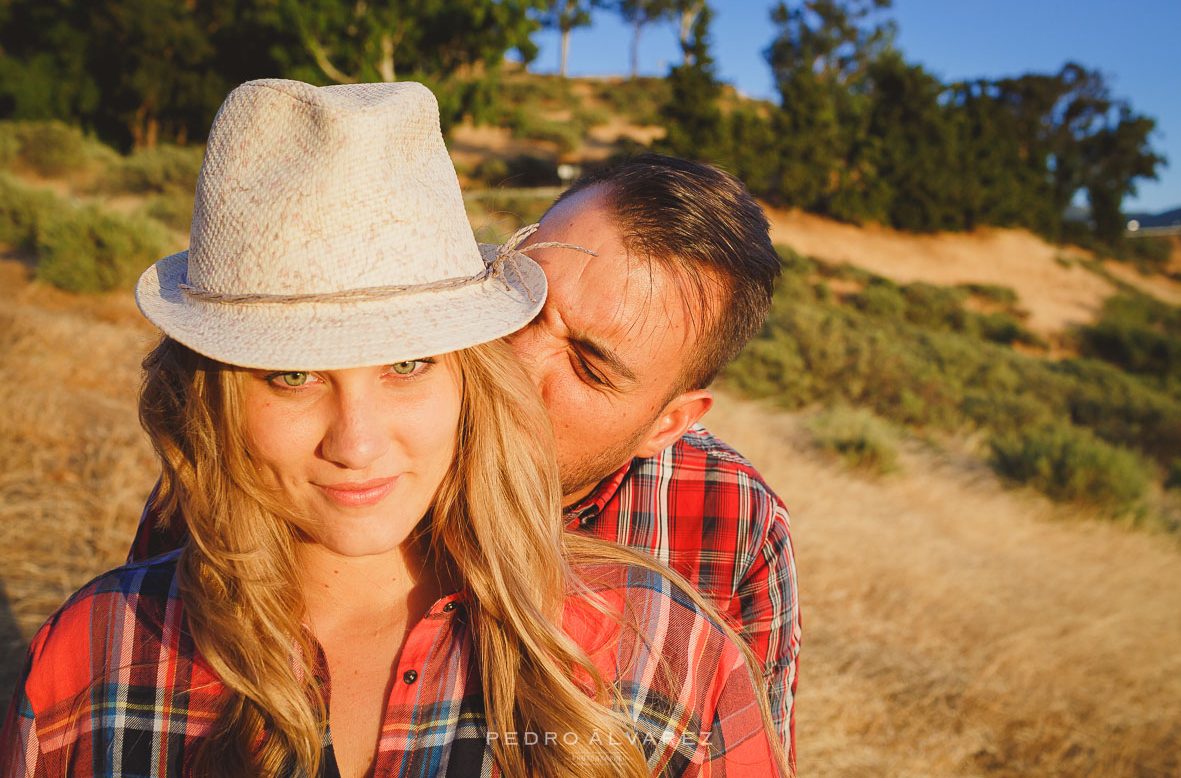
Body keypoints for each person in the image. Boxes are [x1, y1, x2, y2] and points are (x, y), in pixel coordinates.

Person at [0, 80, 785, 778]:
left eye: (588, 364)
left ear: (669, 424)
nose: (510, 361)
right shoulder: (108, 642)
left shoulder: (689, 605)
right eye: (518, 302)